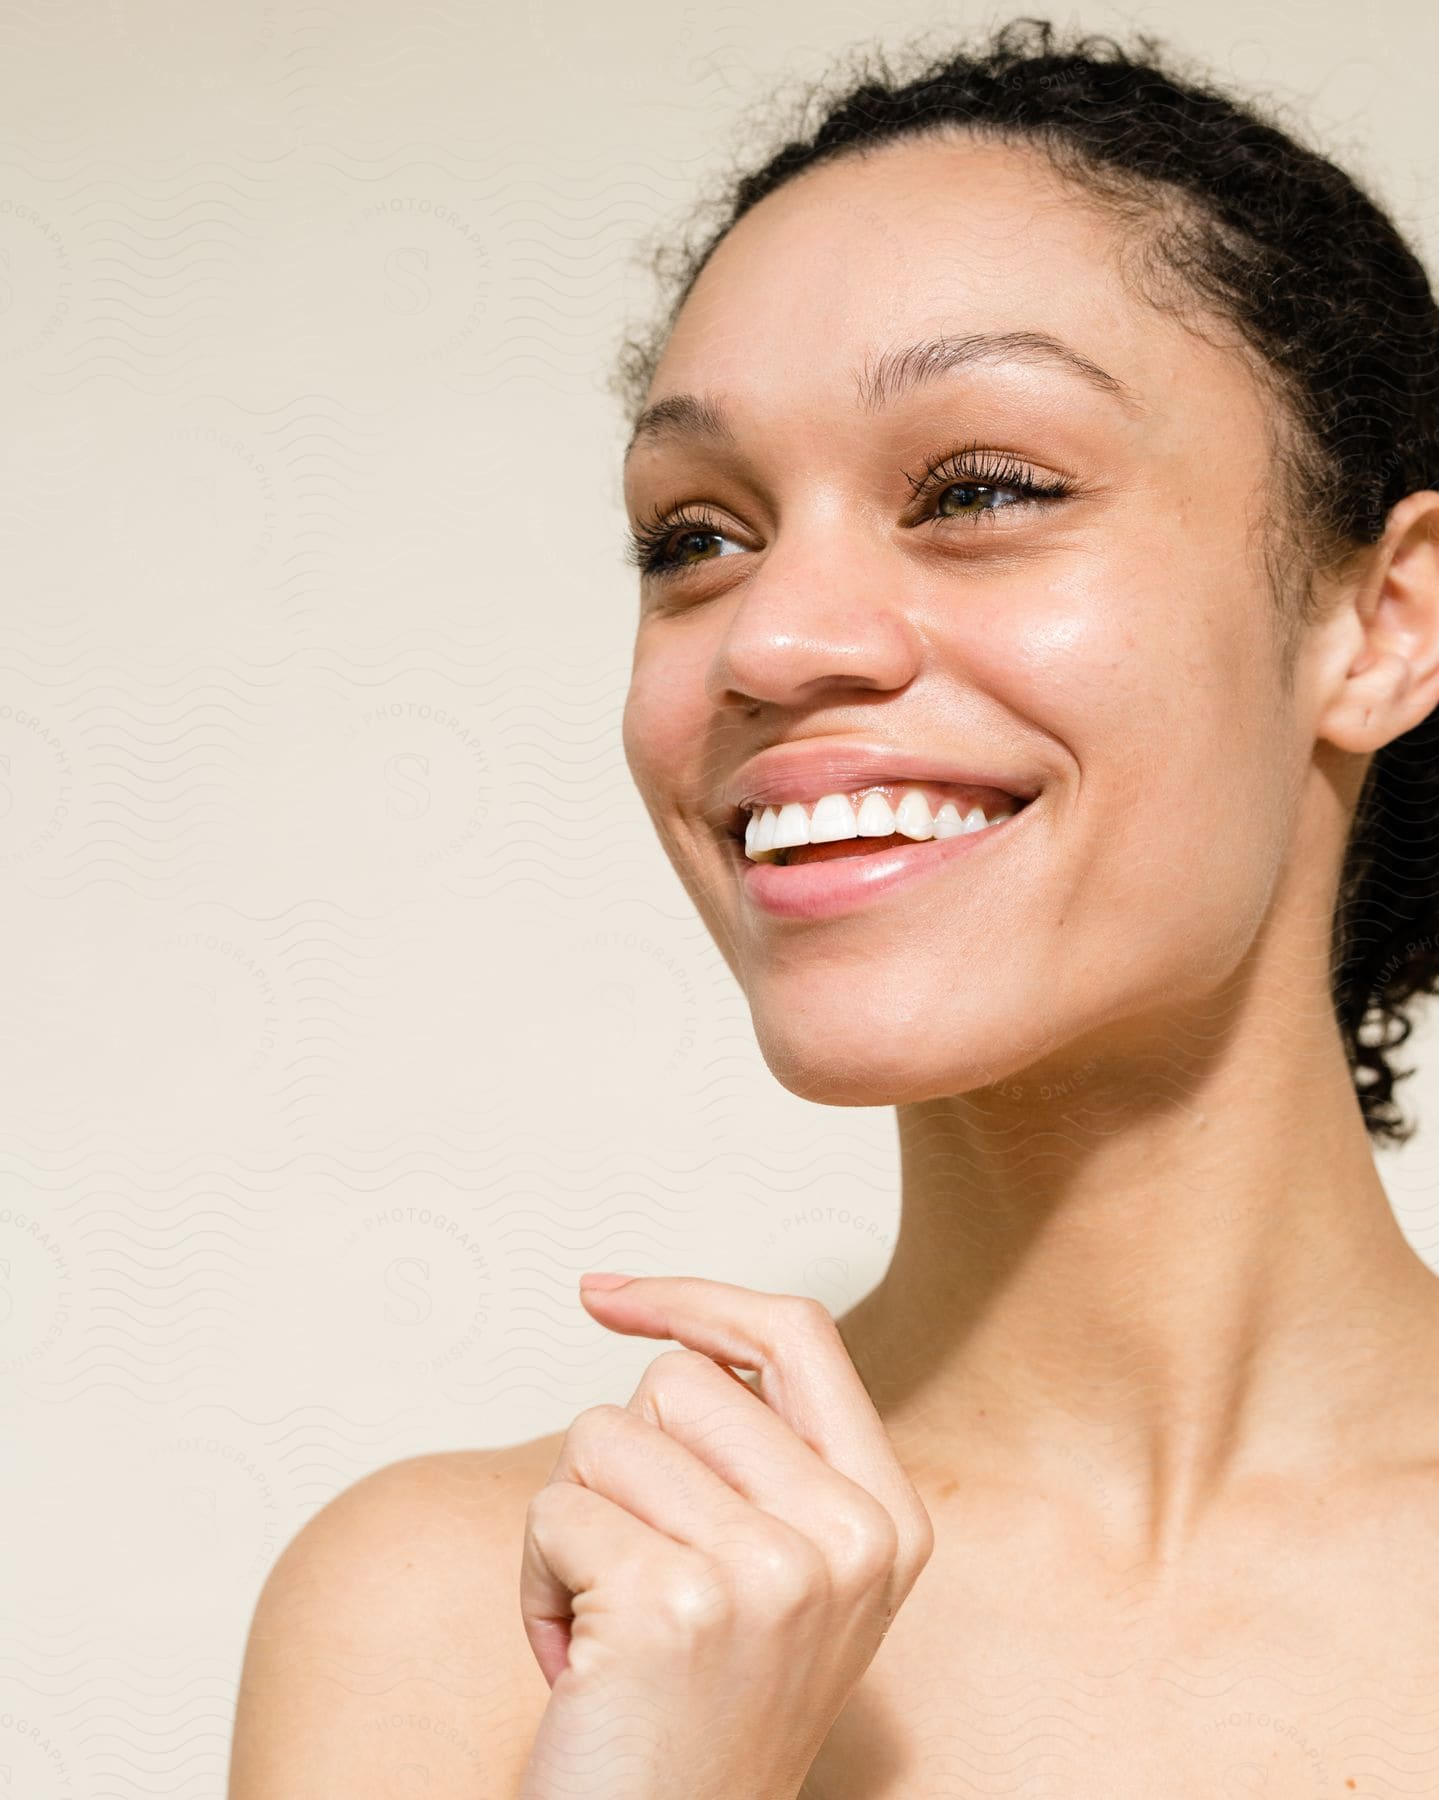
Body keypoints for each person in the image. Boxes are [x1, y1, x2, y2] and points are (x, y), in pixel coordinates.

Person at [228, 17, 1439, 1797]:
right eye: (695, 536)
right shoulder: (458, 1628)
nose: (775, 642)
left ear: (1384, 621)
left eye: (981, 491)